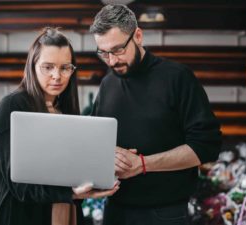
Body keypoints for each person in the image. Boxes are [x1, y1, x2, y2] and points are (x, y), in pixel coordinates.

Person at [89, 5, 222, 225]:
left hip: (164, 213)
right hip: (113, 210)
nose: (112, 61)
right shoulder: (107, 83)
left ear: (138, 36)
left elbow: (206, 146)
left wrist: (142, 164)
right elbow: (95, 141)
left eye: (118, 49)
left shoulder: (178, 78)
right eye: (103, 53)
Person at [0, 28, 119, 225]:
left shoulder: (64, 107)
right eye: (48, 67)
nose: (57, 75)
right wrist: (70, 192)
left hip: (62, 213)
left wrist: (101, 169)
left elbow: (70, 169)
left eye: (65, 67)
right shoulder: (11, 107)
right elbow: (19, 185)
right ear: (33, 67)